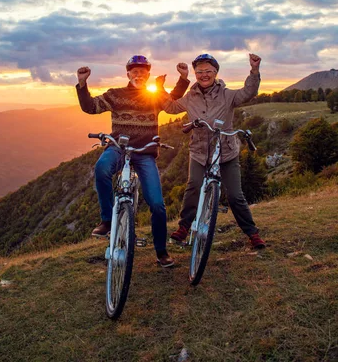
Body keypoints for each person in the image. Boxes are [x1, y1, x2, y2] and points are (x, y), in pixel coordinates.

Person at [76, 55, 190, 268]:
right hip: (118, 148)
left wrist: (183, 79)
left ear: (148, 75)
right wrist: (82, 84)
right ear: (127, 74)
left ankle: (161, 251)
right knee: (101, 169)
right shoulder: (115, 95)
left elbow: (173, 103)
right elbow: (91, 107)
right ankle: (108, 220)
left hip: (145, 152)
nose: (138, 75)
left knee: (157, 204)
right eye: (134, 71)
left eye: (143, 72)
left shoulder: (154, 97)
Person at [162, 53, 266, 249]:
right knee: (193, 185)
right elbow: (170, 107)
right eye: (199, 71)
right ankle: (184, 227)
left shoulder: (227, 95)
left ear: (215, 72)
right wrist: (163, 88)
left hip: (226, 152)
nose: (203, 75)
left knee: (235, 195)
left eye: (208, 71)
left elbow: (248, 92)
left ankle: (252, 233)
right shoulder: (190, 97)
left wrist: (254, 70)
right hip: (199, 151)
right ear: (195, 74)